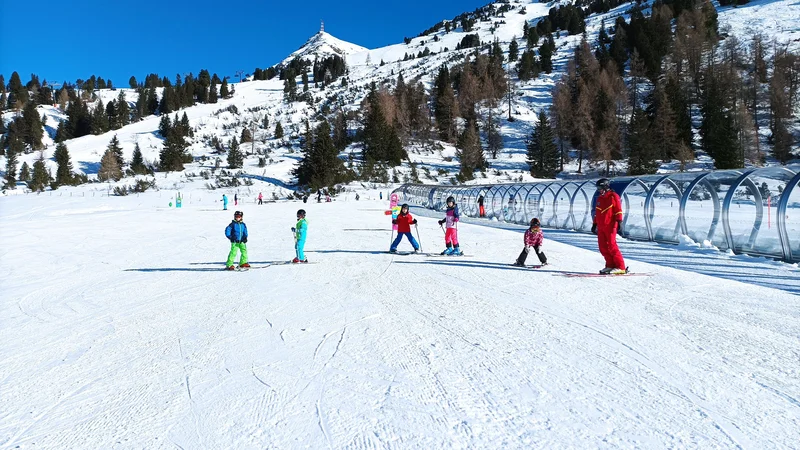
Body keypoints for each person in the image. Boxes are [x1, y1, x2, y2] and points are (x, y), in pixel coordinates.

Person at [591, 178, 626, 274]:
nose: (599, 190)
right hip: (601, 226)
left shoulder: (613, 196)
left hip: (610, 225)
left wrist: (619, 221)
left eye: (600, 188)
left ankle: (620, 267)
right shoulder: (600, 198)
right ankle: (610, 265)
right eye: (598, 188)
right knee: (602, 247)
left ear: (606, 187)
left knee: (612, 246)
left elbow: (618, 210)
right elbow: (597, 213)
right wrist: (594, 224)